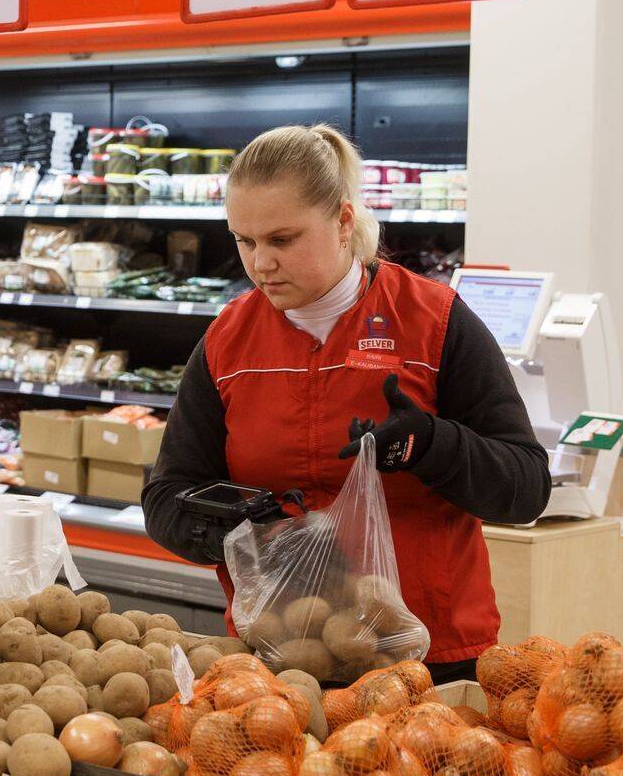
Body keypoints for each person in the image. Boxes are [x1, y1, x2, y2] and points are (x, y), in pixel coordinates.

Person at [141, 124, 549, 682]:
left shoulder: (436, 322)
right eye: (244, 240)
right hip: (278, 657)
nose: (260, 263)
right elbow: (166, 499)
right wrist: (239, 531)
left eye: (282, 240)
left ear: (342, 222)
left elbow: (525, 489)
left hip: (429, 658)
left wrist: (430, 444)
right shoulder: (226, 342)